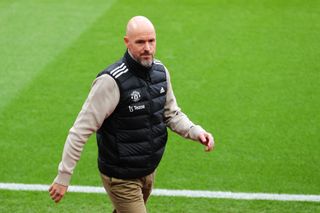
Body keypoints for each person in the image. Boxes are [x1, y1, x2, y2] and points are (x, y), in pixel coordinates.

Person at [49, 16, 215, 213]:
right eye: (140, 42)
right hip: (120, 176)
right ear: (127, 42)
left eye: (151, 41)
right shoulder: (110, 82)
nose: (147, 48)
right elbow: (80, 131)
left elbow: (171, 114)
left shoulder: (161, 72)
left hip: (148, 170)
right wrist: (63, 176)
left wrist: (195, 131)